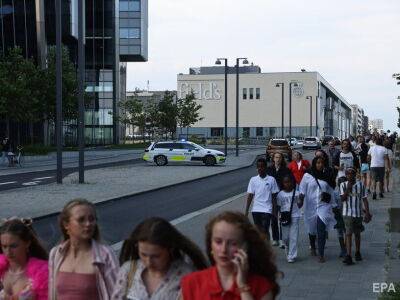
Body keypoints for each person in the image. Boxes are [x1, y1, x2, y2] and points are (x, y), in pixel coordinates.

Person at [180, 211, 280, 300]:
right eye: (218, 242)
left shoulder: (261, 287)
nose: (223, 250)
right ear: (211, 244)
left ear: (245, 247)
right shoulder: (191, 283)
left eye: (232, 243)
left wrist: (242, 286)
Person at [112, 217, 207, 300]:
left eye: (156, 256)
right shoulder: (129, 270)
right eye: (143, 254)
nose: (149, 262)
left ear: (170, 249)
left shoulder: (186, 276)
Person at [49, 198, 119, 300]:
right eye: (81, 220)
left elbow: (117, 295)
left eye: (91, 219)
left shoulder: (105, 255)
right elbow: (52, 293)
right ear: (66, 224)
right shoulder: (56, 253)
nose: (88, 224)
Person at [299, 156, 336, 263]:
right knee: (311, 229)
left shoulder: (327, 177)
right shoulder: (307, 176)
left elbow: (330, 192)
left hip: (323, 206)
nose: (320, 165)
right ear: (314, 164)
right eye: (318, 163)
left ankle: (321, 253)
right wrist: (300, 200)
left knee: (321, 229)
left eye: (322, 163)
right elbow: (302, 189)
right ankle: (312, 246)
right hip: (310, 206)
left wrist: (334, 206)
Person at [0, 218, 48, 299]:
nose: (8, 252)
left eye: (13, 246)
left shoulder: (43, 274)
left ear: (27, 243)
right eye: (4, 246)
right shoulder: (2, 270)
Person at [340, 168, 372, 265]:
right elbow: (343, 199)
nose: (350, 175)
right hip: (347, 213)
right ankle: (349, 255)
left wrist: (367, 212)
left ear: (355, 174)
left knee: (357, 233)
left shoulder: (361, 184)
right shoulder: (343, 185)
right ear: (346, 175)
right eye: (348, 174)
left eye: (352, 173)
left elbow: (364, 199)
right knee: (348, 234)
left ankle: (357, 252)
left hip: (358, 213)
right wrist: (348, 189)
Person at [245, 158, 280, 244]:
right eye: (258, 167)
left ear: (265, 167)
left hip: (267, 209)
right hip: (256, 209)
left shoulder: (271, 179)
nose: (260, 169)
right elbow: (250, 195)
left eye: (262, 167)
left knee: (265, 228)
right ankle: (261, 248)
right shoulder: (253, 180)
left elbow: (274, 197)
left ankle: (266, 248)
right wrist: (246, 210)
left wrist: (274, 211)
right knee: (259, 230)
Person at [266, 153, 294, 247]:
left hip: (283, 196)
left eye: (280, 157)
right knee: (273, 218)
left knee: (283, 217)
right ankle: (275, 238)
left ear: (282, 159)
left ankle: (282, 239)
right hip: (272, 197)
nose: (278, 159)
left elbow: (290, 181)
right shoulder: (269, 169)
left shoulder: (286, 170)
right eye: (276, 157)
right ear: (273, 158)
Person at [276, 176, 302, 263]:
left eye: (289, 182)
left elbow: (299, 205)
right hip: (284, 217)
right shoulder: (280, 194)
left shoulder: (297, 193)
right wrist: (279, 216)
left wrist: (301, 199)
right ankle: (287, 247)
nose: (287, 184)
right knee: (285, 237)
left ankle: (292, 255)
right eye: (285, 182)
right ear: (283, 184)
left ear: (292, 182)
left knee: (293, 236)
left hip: (295, 215)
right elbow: (279, 207)